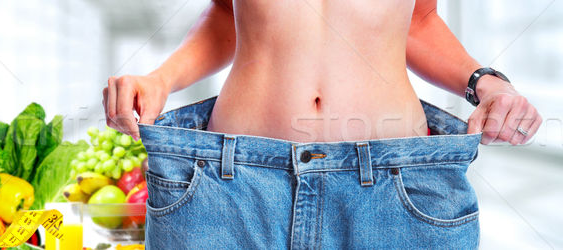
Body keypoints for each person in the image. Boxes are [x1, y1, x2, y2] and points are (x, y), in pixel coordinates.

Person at [101, 0, 542, 248]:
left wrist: (487, 83)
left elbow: (418, 21)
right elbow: (226, 16)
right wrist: (160, 79)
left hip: (395, 193)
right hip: (231, 191)